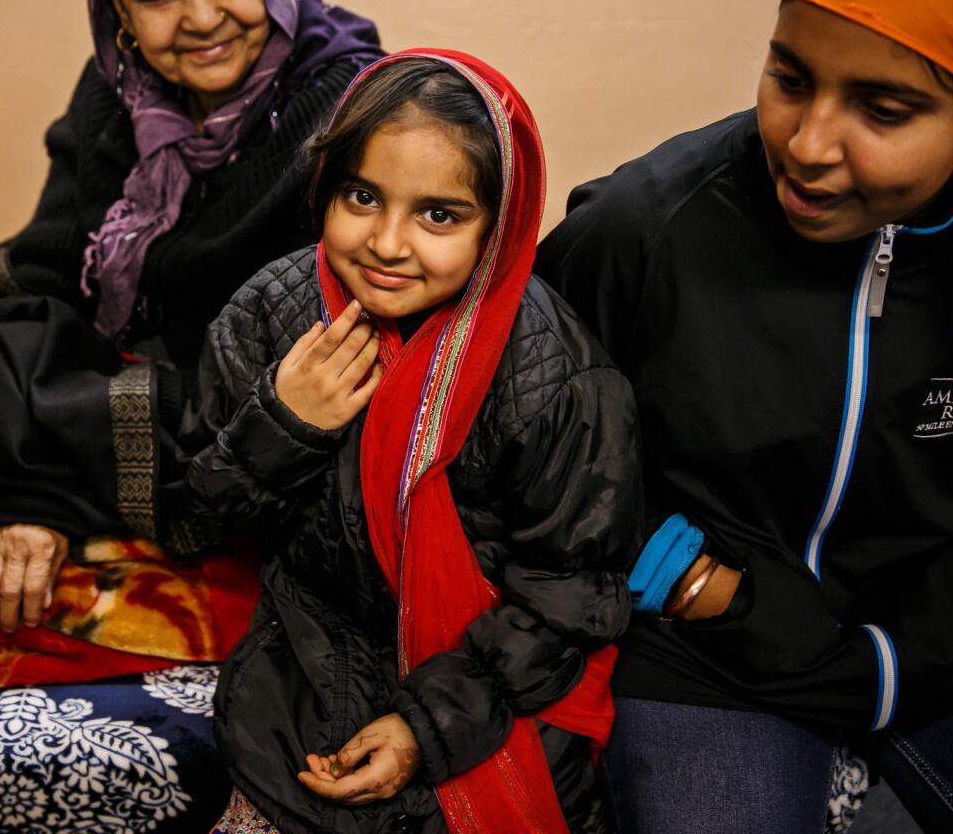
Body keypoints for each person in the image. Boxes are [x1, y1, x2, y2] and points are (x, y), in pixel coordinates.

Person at [534, 0, 953, 830]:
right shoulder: (639, 230)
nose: (809, 143)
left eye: (883, 109)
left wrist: (917, 647)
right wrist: (704, 590)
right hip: (700, 650)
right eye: (790, 77)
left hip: (937, 627)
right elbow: (537, 441)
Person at [0, 0, 383, 634]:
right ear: (119, 11)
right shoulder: (116, 89)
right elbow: (45, 276)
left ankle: (47, 475)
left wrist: (33, 443)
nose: (201, 17)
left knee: (191, 442)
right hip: (140, 374)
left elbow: (328, 355)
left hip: (259, 399)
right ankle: (47, 484)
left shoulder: (348, 105)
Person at [180, 50, 639, 834]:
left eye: (439, 214)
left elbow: (570, 597)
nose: (388, 243)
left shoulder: (556, 377)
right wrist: (286, 427)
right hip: (314, 658)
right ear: (323, 187)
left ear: (500, 221)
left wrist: (424, 729)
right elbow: (200, 520)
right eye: (363, 197)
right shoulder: (271, 316)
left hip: (496, 681)